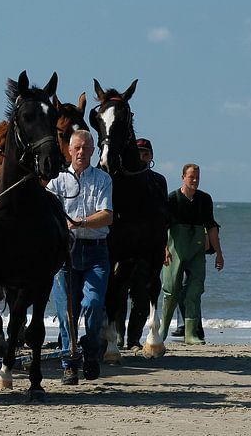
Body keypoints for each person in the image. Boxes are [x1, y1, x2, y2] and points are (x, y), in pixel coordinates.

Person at [47, 130, 113, 385]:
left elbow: (106, 214)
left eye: (86, 148)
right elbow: (49, 213)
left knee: (94, 304)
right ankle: (69, 364)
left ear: (93, 150)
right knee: (66, 311)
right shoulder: (57, 181)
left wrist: (78, 222)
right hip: (65, 252)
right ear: (69, 150)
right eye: (77, 148)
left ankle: (92, 349)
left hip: (96, 249)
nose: (81, 152)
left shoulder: (103, 179)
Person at [113, 138, 168, 350]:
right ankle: (118, 336)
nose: (142, 158)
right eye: (138, 153)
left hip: (149, 247)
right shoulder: (122, 180)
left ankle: (134, 339)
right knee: (118, 293)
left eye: (145, 154)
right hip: (124, 247)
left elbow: (164, 215)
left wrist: (164, 245)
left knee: (142, 295)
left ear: (151, 157)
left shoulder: (158, 181)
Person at [160, 163, 224, 345]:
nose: (195, 180)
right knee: (171, 290)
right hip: (175, 250)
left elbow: (211, 227)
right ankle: (163, 330)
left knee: (195, 291)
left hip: (197, 251)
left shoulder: (204, 199)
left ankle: (191, 334)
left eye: (197, 177)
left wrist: (219, 253)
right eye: (191, 177)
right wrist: (163, 249)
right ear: (183, 178)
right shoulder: (172, 198)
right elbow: (163, 226)